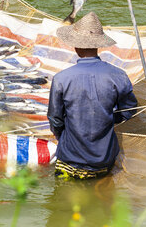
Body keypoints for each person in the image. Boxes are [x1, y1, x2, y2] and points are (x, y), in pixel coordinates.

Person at [47, 12, 137, 179]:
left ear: (76, 46)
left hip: (69, 159)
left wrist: (63, 136)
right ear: (98, 45)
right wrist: (108, 120)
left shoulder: (61, 79)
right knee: (102, 196)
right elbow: (129, 110)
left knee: (63, 199)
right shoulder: (119, 75)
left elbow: (55, 118)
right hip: (103, 160)